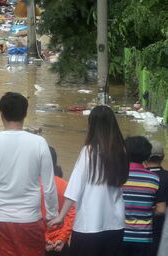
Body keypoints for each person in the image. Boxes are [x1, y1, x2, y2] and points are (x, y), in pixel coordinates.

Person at [0, 92, 58, 256]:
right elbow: (49, 186)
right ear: (25, 114)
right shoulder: (39, 143)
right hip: (29, 219)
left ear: (2, 114)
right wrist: (52, 215)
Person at [48, 106, 129, 256]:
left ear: (92, 125)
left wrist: (61, 216)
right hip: (116, 224)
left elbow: (74, 189)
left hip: (89, 225)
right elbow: (121, 181)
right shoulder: (121, 151)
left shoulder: (89, 151)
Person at [118, 136, 160, 256]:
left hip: (121, 234)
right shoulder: (154, 179)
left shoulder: (119, 176)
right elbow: (156, 207)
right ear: (146, 156)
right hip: (144, 238)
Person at [44, 147, 75, 256]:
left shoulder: (32, 186)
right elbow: (70, 215)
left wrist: (45, 239)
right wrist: (62, 239)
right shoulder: (66, 186)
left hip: (40, 242)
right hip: (60, 245)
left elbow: (32, 217)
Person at [145, 140, 168, 256]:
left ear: (145, 158)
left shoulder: (140, 177)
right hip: (163, 229)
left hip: (141, 230)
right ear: (162, 157)